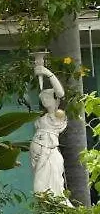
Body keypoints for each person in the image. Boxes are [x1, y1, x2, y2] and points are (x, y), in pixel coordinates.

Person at [30, 62, 69, 200]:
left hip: (49, 153)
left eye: (47, 97)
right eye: (43, 99)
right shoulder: (42, 118)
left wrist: (48, 73)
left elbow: (60, 93)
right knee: (40, 192)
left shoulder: (58, 116)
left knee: (45, 190)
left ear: (54, 100)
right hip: (37, 154)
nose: (45, 101)